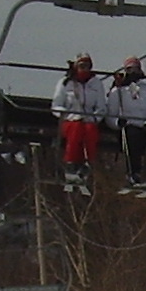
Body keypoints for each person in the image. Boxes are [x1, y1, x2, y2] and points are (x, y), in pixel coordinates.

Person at [51, 53, 110, 195]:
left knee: (89, 131)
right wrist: (65, 115)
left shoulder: (96, 83)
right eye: (82, 66)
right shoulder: (66, 83)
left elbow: (101, 106)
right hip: (70, 120)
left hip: (88, 120)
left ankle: (85, 164)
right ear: (76, 66)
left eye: (87, 66)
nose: (85, 69)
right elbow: (56, 104)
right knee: (76, 129)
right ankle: (71, 164)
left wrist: (95, 118)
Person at [107, 57, 146, 188]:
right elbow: (110, 115)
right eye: (130, 69)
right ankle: (133, 172)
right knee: (133, 137)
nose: (133, 72)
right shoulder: (117, 91)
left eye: (136, 69)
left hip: (145, 125)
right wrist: (118, 122)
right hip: (128, 126)